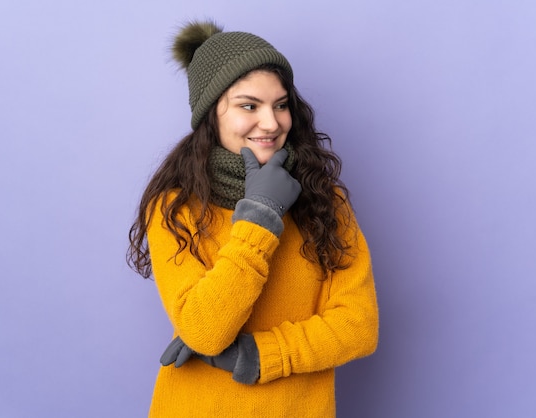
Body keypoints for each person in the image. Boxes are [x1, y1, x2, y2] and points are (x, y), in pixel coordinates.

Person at [127, 20, 379, 417]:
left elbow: (358, 327)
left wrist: (260, 354)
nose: (272, 123)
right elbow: (204, 332)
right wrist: (261, 216)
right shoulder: (175, 208)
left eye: (280, 105)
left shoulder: (325, 202)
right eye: (249, 105)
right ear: (212, 114)